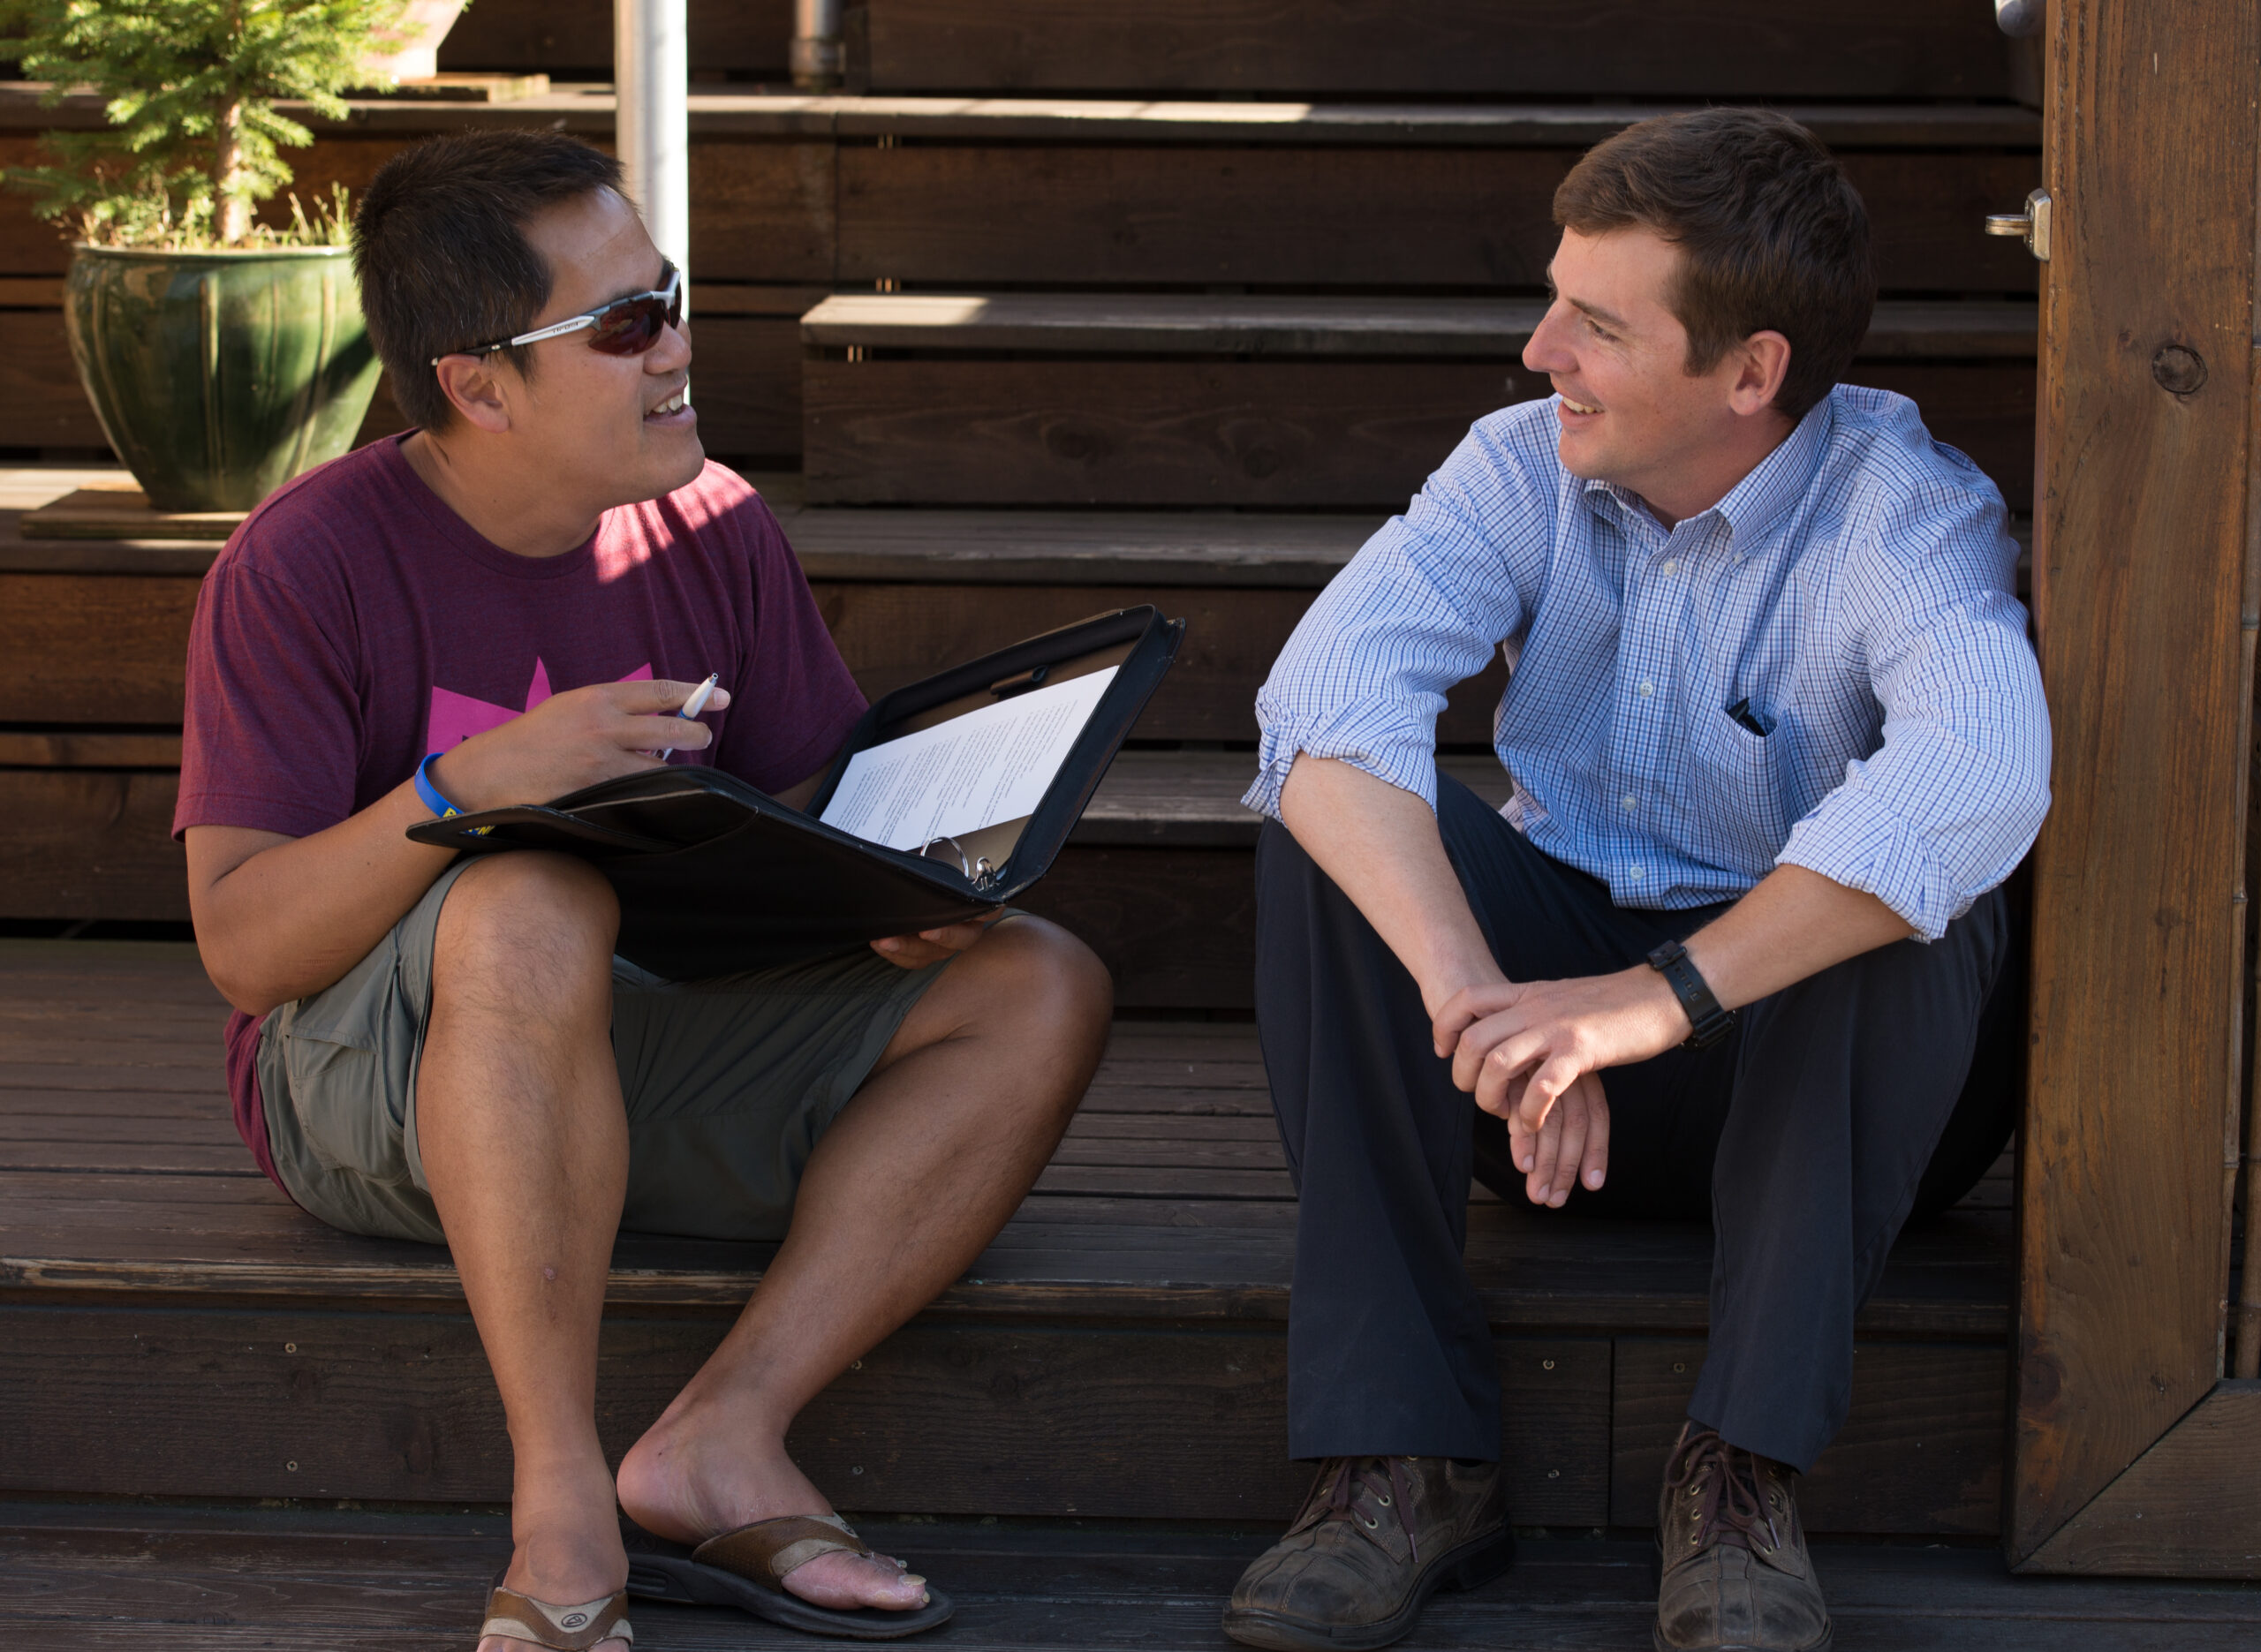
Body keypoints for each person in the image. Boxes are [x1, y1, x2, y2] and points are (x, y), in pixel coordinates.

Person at [175, 129, 1113, 1652]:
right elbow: (242, 948)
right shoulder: (303, 564)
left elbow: (814, 814)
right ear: (478, 381)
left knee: (1039, 980)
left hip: (619, 1059)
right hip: (365, 1098)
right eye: (623, 327)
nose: (677, 347)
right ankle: (559, 1493)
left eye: (668, 296)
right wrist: (468, 789)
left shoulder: (715, 522)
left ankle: (715, 1440)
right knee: (531, 901)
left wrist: (902, 892)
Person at [1225, 109, 2049, 1652]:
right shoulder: (1514, 467)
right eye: (1555, 301)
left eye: (1598, 326)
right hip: (1542, 1064)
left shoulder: (1904, 507)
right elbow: (1324, 706)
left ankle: (1741, 1470)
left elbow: (1982, 773)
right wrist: (1487, 1004)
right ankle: (1405, 1457)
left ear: (1750, 374)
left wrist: (1652, 1004)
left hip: (1814, 1073)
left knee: (1918, 882)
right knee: (1328, 821)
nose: (1543, 352)